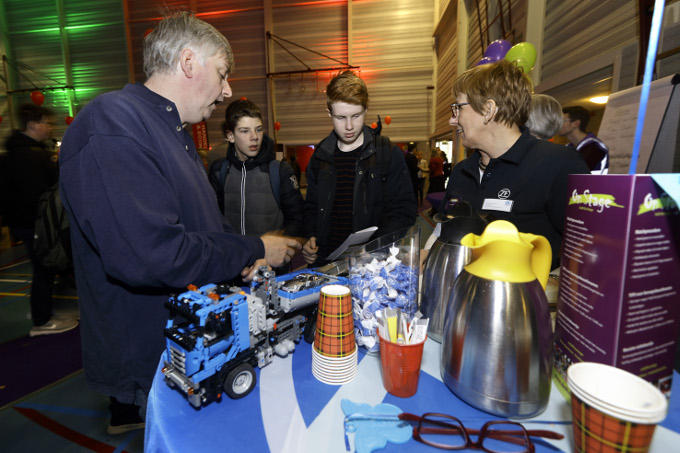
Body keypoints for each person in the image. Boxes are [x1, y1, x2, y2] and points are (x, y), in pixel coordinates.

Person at [59, 12, 300, 435]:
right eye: (222, 74)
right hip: (160, 351)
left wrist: (244, 260)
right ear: (189, 62)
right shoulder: (113, 122)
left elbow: (200, 229)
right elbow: (153, 255)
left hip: (194, 339)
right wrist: (254, 248)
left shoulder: (173, 131)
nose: (227, 91)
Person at [445, 60, 589, 269]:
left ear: (488, 109)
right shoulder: (461, 171)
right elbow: (446, 234)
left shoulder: (558, 165)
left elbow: (585, 249)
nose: (452, 120)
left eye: (458, 108)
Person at [302, 70, 416, 266]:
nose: (349, 126)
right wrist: (309, 237)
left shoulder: (386, 153)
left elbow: (403, 211)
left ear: (366, 109)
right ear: (329, 113)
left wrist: (375, 249)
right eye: (340, 117)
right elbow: (312, 208)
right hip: (326, 262)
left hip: (372, 263)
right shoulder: (320, 157)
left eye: (356, 116)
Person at [1, 104, 78, 336]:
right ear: (33, 125)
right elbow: (41, 194)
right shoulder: (29, 156)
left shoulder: (18, 152)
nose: (49, 127)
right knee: (44, 269)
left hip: (26, 222)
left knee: (47, 268)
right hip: (36, 224)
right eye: (46, 122)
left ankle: (43, 312)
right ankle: (41, 320)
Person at [208, 99, 304, 240]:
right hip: (234, 257)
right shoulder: (219, 171)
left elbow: (299, 219)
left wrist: (279, 241)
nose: (254, 137)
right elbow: (212, 219)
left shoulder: (279, 171)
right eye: (245, 131)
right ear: (230, 136)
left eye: (258, 129)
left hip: (272, 259)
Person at [558, 105, 609, 174]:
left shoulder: (594, 146)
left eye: (562, 121)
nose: (557, 124)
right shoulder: (568, 147)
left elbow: (577, 173)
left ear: (576, 123)